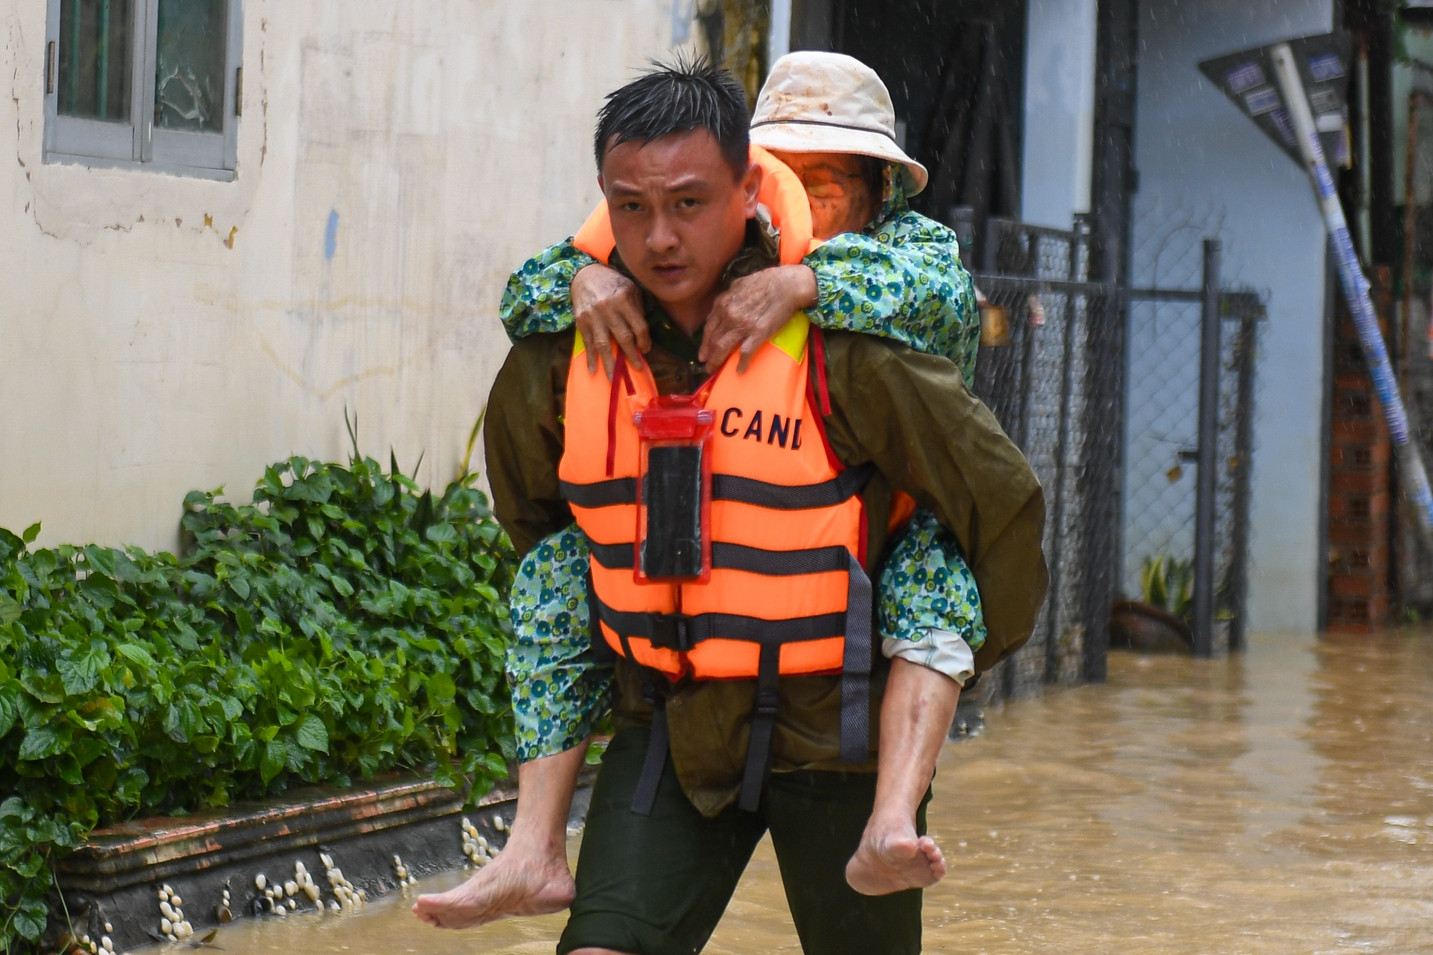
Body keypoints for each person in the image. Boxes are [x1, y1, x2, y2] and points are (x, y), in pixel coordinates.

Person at [435, 58, 1046, 955]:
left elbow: (998, 511)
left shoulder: (870, 325)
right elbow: (538, 505)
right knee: (559, 566)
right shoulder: (574, 331)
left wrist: (940, 664)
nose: (661, 234)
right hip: (677, 714)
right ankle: (532, 845)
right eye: (637, 209)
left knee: (931, 560)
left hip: (837, 716)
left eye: (826, 182)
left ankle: (887, 815)